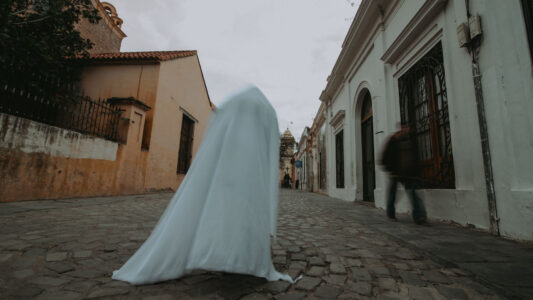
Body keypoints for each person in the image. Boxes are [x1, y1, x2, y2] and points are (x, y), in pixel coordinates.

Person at [112, 86, 294, 285]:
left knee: (227, 211)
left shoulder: (231, 114)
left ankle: (227, 254)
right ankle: (239, 255)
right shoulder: (263, 116)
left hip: (228, 176)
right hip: (242, 178)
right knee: (244, 213)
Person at [380, 124, 427, 224]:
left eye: (407, 128)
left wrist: (416, 172)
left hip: (409, 174)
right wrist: (390, 170)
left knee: (414, 194)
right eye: (404, 127)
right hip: (396, 173)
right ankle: (391, 214)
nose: (406, 130)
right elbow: (384, 158)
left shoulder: (410, 141)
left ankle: (419, 217)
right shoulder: (393, 140)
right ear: (401, 128)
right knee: (393, 195)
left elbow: (414, 157)